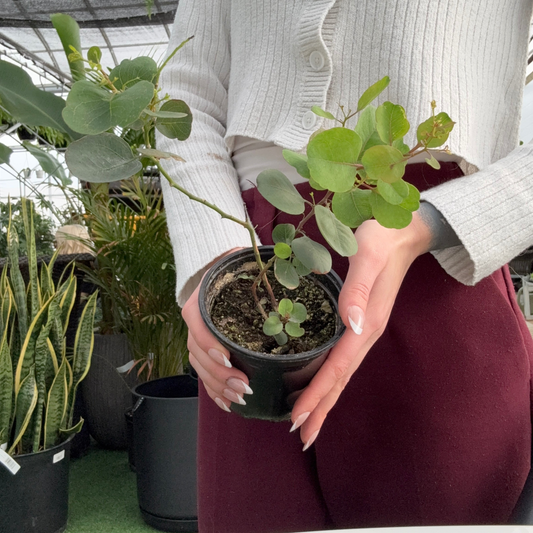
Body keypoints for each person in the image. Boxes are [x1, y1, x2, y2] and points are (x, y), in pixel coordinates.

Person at [158, 1, 533, 531]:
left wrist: (427, 224)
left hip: (436, 258)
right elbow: (187, 89)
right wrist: (212, 268)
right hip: (250, 269)